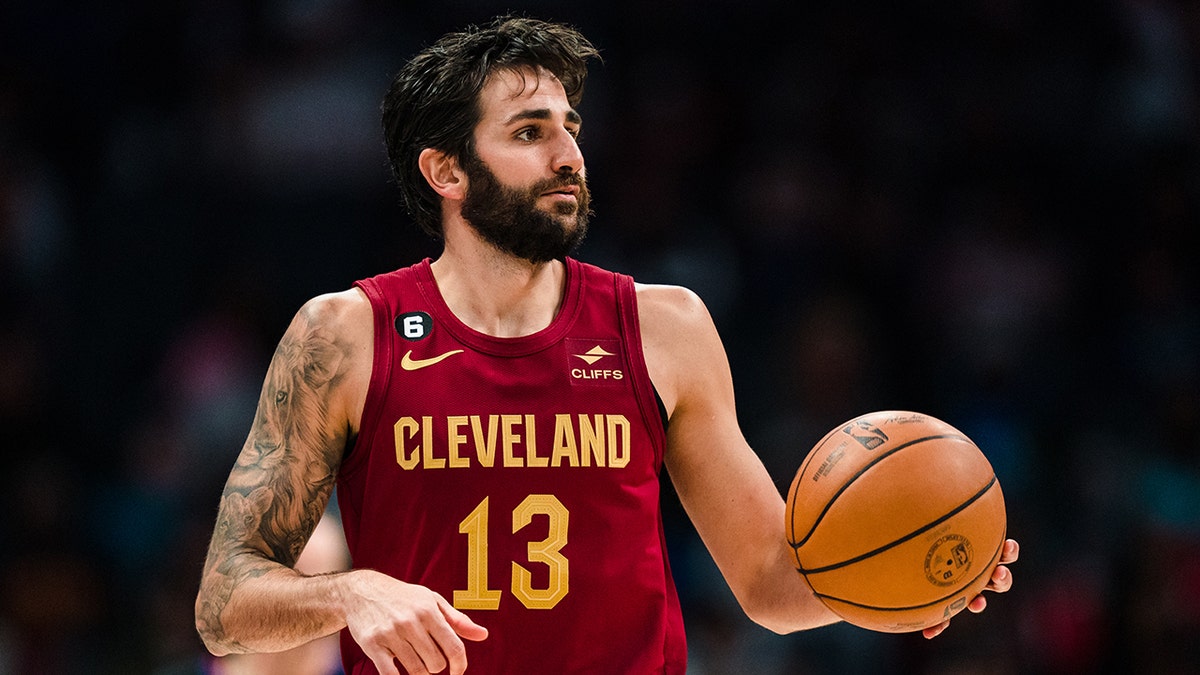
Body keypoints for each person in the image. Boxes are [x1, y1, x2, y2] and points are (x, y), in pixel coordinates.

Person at [194, 15, 1019, 675]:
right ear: (446, 171)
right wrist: (351, 592)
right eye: (528, 132)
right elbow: (224, 598)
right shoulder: (345, 333)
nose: (568, 155)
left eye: (569, 126)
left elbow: (770, 582)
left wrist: (904, 577)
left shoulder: (664, 327)